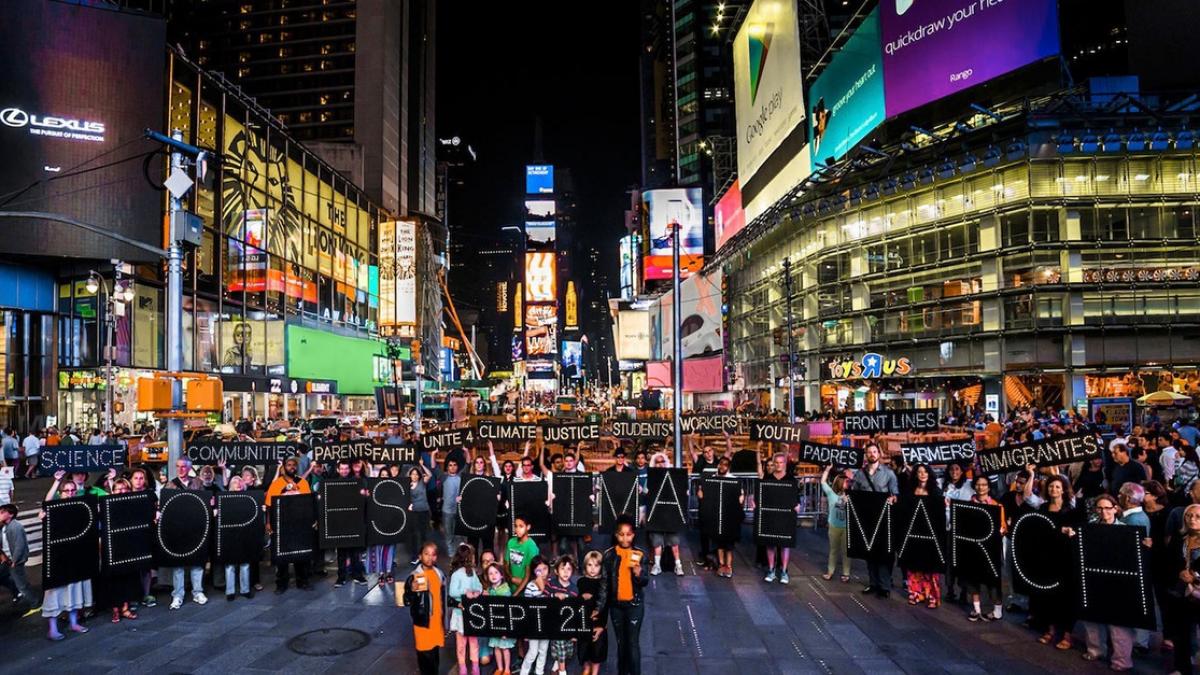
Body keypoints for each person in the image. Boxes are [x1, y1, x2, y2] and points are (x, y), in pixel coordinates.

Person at [1067, 494, 1137, 670]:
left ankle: (1121, 660)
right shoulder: (1090, 528)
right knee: (1092, 618)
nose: (1104, 511)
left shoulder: (1126, 529)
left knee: (1118, 623)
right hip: (1094, 579)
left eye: (1107, 508)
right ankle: (1095, 649)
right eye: (1100, 508)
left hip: (1118, 581)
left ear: (1115, 508)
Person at [1030, 474, 1082, 650]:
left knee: (1066, 598)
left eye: (1058, 487)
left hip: (1065, 558)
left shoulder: (1072, 510)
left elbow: (1078, 532)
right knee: (1047, 596)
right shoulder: (1043, 508)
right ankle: (1050, 629)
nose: (1054, 490)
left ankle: (1067, 634)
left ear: (1064, 489)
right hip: (1046, 557)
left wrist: (1070, 532)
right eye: (1051, 487)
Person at [595, 515, 649, 675]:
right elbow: (604, 584)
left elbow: (645, 581)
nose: (625, 538)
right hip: (616, 606)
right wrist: (598, 608)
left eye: (628, 534)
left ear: (633, 535)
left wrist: (638, 574)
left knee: (632, 644)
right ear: (616, 535)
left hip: (635, 605)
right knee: (620, 644)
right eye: (621, 534)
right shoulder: (609, 555)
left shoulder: (640, 554)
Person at [39, 475, 92, 640]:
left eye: (72, 491)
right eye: (66, 491)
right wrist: (56, 482)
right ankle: (52, 628)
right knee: (54, 592)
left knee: (73, 590)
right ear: (60, 493)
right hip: (56, 557)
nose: (69, 493)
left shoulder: (79, 507)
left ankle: (74, 622)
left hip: (73, 556)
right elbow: (46, 503)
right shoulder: (54, 507)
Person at [852, 443, 898, 596]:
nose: (872, 454)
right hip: (866, 518)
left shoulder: (889, 473)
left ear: (879, 453)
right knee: (869, 551)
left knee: (883, 552)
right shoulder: (859, 474)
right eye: (869, 452)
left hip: (884, 517)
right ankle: (873, 583)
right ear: (866, 455)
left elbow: (895, 494)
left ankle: (884, 586)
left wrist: (893, 499)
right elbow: (855, 494)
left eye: (874, 451)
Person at [265, 456, 313, 594]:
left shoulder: (303, 482)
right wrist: (268, 522)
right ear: (284, 467)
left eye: (294, 465)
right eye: (289, 465)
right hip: (281, 524)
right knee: (282, 557)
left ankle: (302, 581)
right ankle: (281, 584)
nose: (292, 467)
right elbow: (269, 505)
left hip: (299, 523)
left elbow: (307, 503)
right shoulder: (276, 484)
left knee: (300, 554)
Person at [966, 475, 1005, 621]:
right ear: (974, 486)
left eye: (984, 485)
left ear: (988, 487)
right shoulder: (968, 504)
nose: (981, 487)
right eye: (978, 484)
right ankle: (976, 609)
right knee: (973, 578)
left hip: (990, 548)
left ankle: (997, 610)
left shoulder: (997, 506)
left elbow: (1002, 526)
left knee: (992, 580)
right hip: (973, 547)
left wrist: (1000, 531)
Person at [1167, 503, 1200, 675]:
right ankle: (1182, 668)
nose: (1192, 519)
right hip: (1182, 594)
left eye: (1197, 516)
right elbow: (1170, 562)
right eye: (1189, 516)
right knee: (1181, 633)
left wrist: (1195, 577)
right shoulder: (1181, 539)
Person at [905, 464, 944, 608]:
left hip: (930, 532)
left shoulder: (936, 491)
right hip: (914, 532)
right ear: (915, 474)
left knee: (930, 566)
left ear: (929, 474)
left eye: (925, 472)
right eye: (919, 472)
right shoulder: (910, 490)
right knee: (914, 565)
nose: (922, 474)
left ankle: (932, 596)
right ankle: (916, 593)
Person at [697, 456, 743, 578]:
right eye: (720, 464)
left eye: (725, 464)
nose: (722, 466)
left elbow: (740, 497)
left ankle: (728, 567)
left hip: (729, 518)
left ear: (728, 467)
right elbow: (703, 495)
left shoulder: (734, 480)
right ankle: (721, 565)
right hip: (716, 518)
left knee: (729, 545)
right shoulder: (712, 479)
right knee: (719, 544)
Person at [404, 541, 446, 675]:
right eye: (426, 554)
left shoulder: (439, 573)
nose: (430, 557)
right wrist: (411, 590)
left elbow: (441, 596)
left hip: (436, 622)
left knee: (434, 654)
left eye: (433, 554)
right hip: (423, 623)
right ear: (420, 556)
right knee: (424, 656)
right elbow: (406, 600)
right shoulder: (414, 577)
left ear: (436, 557)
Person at [761, 452, 801, 584]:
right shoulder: (768, 478)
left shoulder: (791, 480)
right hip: (771, 515)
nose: (778, 465)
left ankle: (784, 571)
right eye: (776, 463)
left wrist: (798, 505)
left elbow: (796, 497)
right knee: (770, 543)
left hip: (786, 516)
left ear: (785, 464)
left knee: (785, 544)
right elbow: (762, 495)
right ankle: (771, 570)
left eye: (781, 462)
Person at [647, 452, 684, 577]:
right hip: (656, 513)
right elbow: (647, 491)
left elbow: (680, 489)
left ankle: (678, 565)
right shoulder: (650, 476)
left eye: (662, 461)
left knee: (674, 541)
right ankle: (657, 565)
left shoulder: (673, 475)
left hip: (671, 513)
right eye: (657, 462)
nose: (660, 464)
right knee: (657, 540)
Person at [448, 543, 483, 675]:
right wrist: (465, 592)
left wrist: (477, 592)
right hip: (460, 614)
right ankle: (462, 667)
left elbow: (478, 586)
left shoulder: (472, 573)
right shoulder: (457, 574)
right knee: (461, 643)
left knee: (474, 641)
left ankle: (475, 667)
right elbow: (452, 592)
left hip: (471, 612)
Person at [222, 475, 254, 601]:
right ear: (231, 485)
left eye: (240, 482)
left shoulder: (249, 498)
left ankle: (245, 590)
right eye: (235, 482)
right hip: (230, 534)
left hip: (244, 534)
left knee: (245, 563)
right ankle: (230, 591)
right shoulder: (225, 498)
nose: (238, 484)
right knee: (230, 564)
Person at [577, 551, 609, 675]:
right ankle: (586, 668)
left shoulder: (604, 584)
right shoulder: (581, 582)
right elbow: (576, 604)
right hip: (584, 622)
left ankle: (595, 672)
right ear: (585, 566)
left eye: (596, 565)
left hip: (598, 623)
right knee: (583, 650)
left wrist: (602, 626)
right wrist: (581, 597)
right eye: (590, 565)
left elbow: (605, 606)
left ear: (601, 567)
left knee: (597, 651)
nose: (592, 569)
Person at [546, 555, 579, 674]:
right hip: (555, 623)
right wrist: (554, 596)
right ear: (556, 571)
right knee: (560, 647)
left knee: (568, 650)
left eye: (569, 569)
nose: (566, 572)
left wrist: (575, 630)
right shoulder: (551, 584)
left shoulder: (574, 589)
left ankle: (559, 661)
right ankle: (562, 670)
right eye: (562, 569)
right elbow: (544, 597)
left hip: (568, 624)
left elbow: (575, 609)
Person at [520, 557, 552, 675]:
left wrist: (544, 587)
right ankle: (524, 671)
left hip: (546, 624)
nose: (542, 572)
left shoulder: (551, 584)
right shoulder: (530, 586)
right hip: (534, 625)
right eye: (539, 570)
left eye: (545, 569)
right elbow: (527, 609)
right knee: (533, 652)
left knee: (543, 650)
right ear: (534, 571)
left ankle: (539, 672)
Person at [820, 465, 851, 583]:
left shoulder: (850, 496)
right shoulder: (831, 494)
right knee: (833, 550)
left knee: (846, 551)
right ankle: (830, 571)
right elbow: (823, 482)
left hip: (846, 526)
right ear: (840, 483)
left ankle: (846, 573)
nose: (847, 484)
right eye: (845, 482)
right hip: (833, 525)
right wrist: (827, 469)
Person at [483, 562, 516, 675]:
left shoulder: (505, 591)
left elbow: (506, 609)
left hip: (503, 623)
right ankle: (500, 668)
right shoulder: (490, 590)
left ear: (501, 575)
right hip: (494, 623)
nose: (493, 575)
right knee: (496, 647)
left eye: (496, 572)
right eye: (490, 573)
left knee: (505, 648)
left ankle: (507, 669)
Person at [0, 503, 33, 604]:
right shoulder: (4, 527)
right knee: (3, 576)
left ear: (10, 514)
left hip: (14, 561)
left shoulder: (15, 527)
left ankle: (34, 602)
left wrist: (14, 561)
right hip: (7, 559)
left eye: (2, 512)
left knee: (22, 584)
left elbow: (19, 545)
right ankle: (17, 592)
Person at [505, 515, 540, 594]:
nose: (517, 529)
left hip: (526, 591)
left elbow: (528, 575)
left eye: (521, 526)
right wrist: (511, 578)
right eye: (516, 526)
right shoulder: (511, 542)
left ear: (528, 527)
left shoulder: (531, 548)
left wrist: (515, 595)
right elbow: (506, 564)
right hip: (510, 588)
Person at [407, 462, 433, 565]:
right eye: (413, 474)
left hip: (424, 512)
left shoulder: (422, 482)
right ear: (410, 475)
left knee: (423, 535)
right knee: (414, 535)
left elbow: (429, 474)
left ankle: (423, 555)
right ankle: (415, 555)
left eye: (416, 474)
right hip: (414, 513)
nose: (415, 476)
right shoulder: (407, 484)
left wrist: (422, 465)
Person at [441, 457, 463, 552]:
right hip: (447, 511)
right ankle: (451, 553)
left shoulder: (461, 477)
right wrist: (433, 454)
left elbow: (468, 463)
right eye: (450, 465)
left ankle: (459, 554)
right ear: (447, 467)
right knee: (448, 534)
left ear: (457, 467)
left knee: (459, 535)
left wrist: (466, 451)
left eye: (454, 465)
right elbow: (434, 468)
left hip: (459, 511)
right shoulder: (444, 477)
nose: (453, 467)